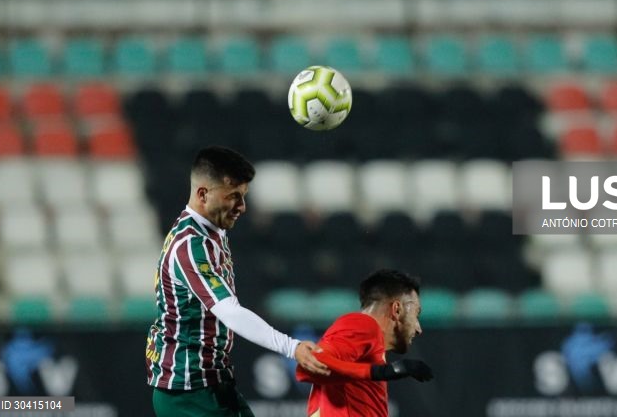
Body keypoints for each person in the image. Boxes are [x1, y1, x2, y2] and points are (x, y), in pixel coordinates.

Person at [146, 146, 330, 417]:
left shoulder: (210, 231)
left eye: (243, 197)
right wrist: (292, 347)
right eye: (234, 197)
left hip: (213, 384)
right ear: (203, 194)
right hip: (187, 393)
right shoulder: (190, 245)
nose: (242, 207)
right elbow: (229, 312)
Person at [295, 269, 434, 417]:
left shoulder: (371, 343)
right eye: (416, 314)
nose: (419, 328)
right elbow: (312, 363)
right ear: (397, 309)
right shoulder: (364, 325)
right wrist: (384, 371)